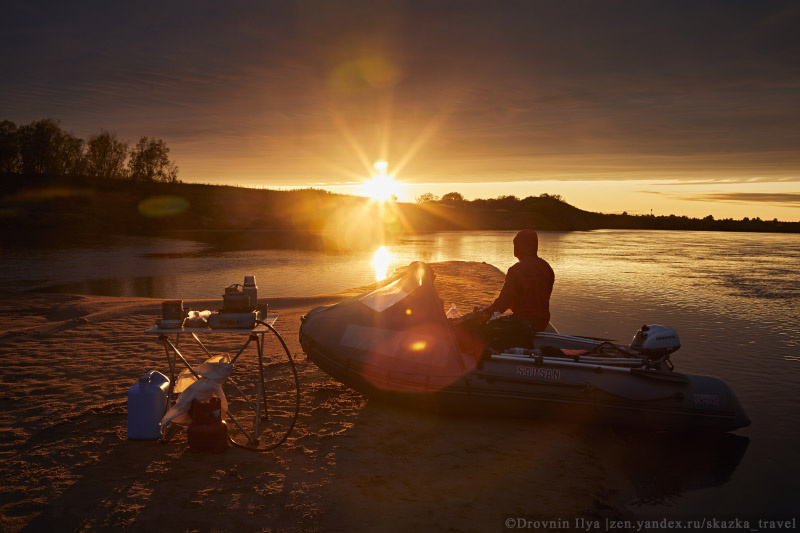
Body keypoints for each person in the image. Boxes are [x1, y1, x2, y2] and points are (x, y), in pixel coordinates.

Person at [482, 229, 554, 332]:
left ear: (524, 247)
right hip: (542, 322)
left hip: (523, 323)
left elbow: (503, 303)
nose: (514, 248)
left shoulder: (516, 270)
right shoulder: (547, 268)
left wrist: (487, 312)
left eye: (516, 244)